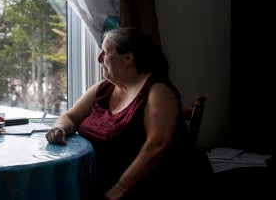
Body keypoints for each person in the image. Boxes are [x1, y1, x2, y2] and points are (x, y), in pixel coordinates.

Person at [45, 27, 212, 200]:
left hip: (143, 188)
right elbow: (70, 117)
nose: (99, 58)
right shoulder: (103, 89)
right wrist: (60, 129)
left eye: (105, 52)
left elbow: (158, 145)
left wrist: (118, 189)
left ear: (128, 58)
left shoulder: (157, 91)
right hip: (98, 182)